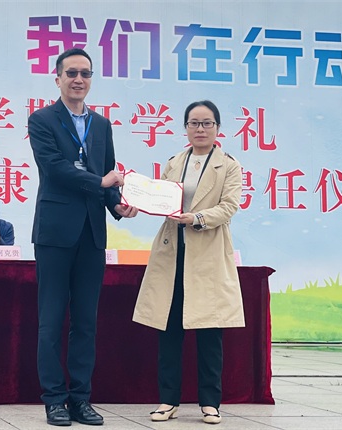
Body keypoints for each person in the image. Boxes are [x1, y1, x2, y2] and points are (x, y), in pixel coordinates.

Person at [28, 48, 138, 427]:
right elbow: (54, 168)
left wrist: (117, 205)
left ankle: (80, 399)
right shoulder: (42, 119)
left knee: (86, 322)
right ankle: (54, 400)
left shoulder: (101, 125)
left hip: (92, 233)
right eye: (71, 73)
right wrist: (101, 182)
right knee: (51, 320)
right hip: (55, 233)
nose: (78, 79)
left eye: (85, 74)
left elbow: (107, 174)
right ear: (57, 78)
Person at [132, 100, 244, 425]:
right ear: (185, 128)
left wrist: (196, 218)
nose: (200, 129)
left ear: (218, 128)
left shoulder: (229, 165)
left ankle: (210, 403)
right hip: (173, 254)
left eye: (207, 123)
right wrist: (137, 200)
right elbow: (160, 198)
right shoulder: (174, 162)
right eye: (194, 123)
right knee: (169, 332)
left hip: (207, 254)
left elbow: (229, 206)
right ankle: (168, 401)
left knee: (209, 332)